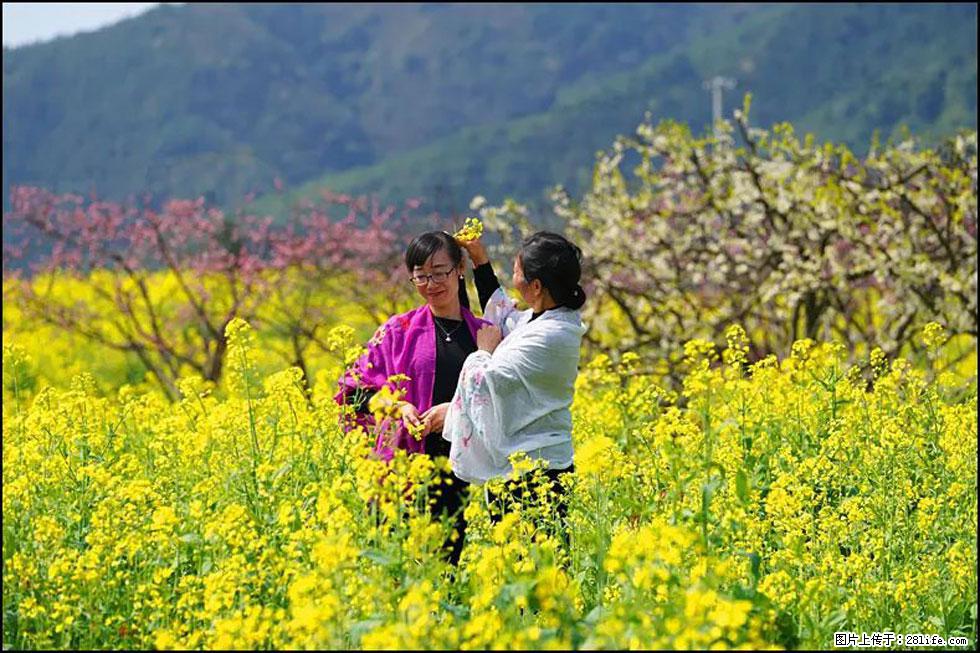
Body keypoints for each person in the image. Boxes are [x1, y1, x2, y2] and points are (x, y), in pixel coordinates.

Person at [334, 230, 501, 564]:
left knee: (444, 572)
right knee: (394, 571)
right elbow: (350, 393)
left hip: (456, 474)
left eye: (439, 272)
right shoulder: (399, 330)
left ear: (459, 270)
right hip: (398, 476)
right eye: (421, 276)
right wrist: (397, 407)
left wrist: (483, 262)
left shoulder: (483, 335)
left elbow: (500, 401)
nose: (431, 283)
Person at [445, 231, 587, 523]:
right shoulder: (543, 319)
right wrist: (479, 262)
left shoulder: (553, 335)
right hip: (518, 464)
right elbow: (504, 317)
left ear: (535, 286)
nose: (513, 277)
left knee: (539, 562)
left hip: (540, 471)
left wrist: (483, 352)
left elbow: (486, 381)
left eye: (517, 272)